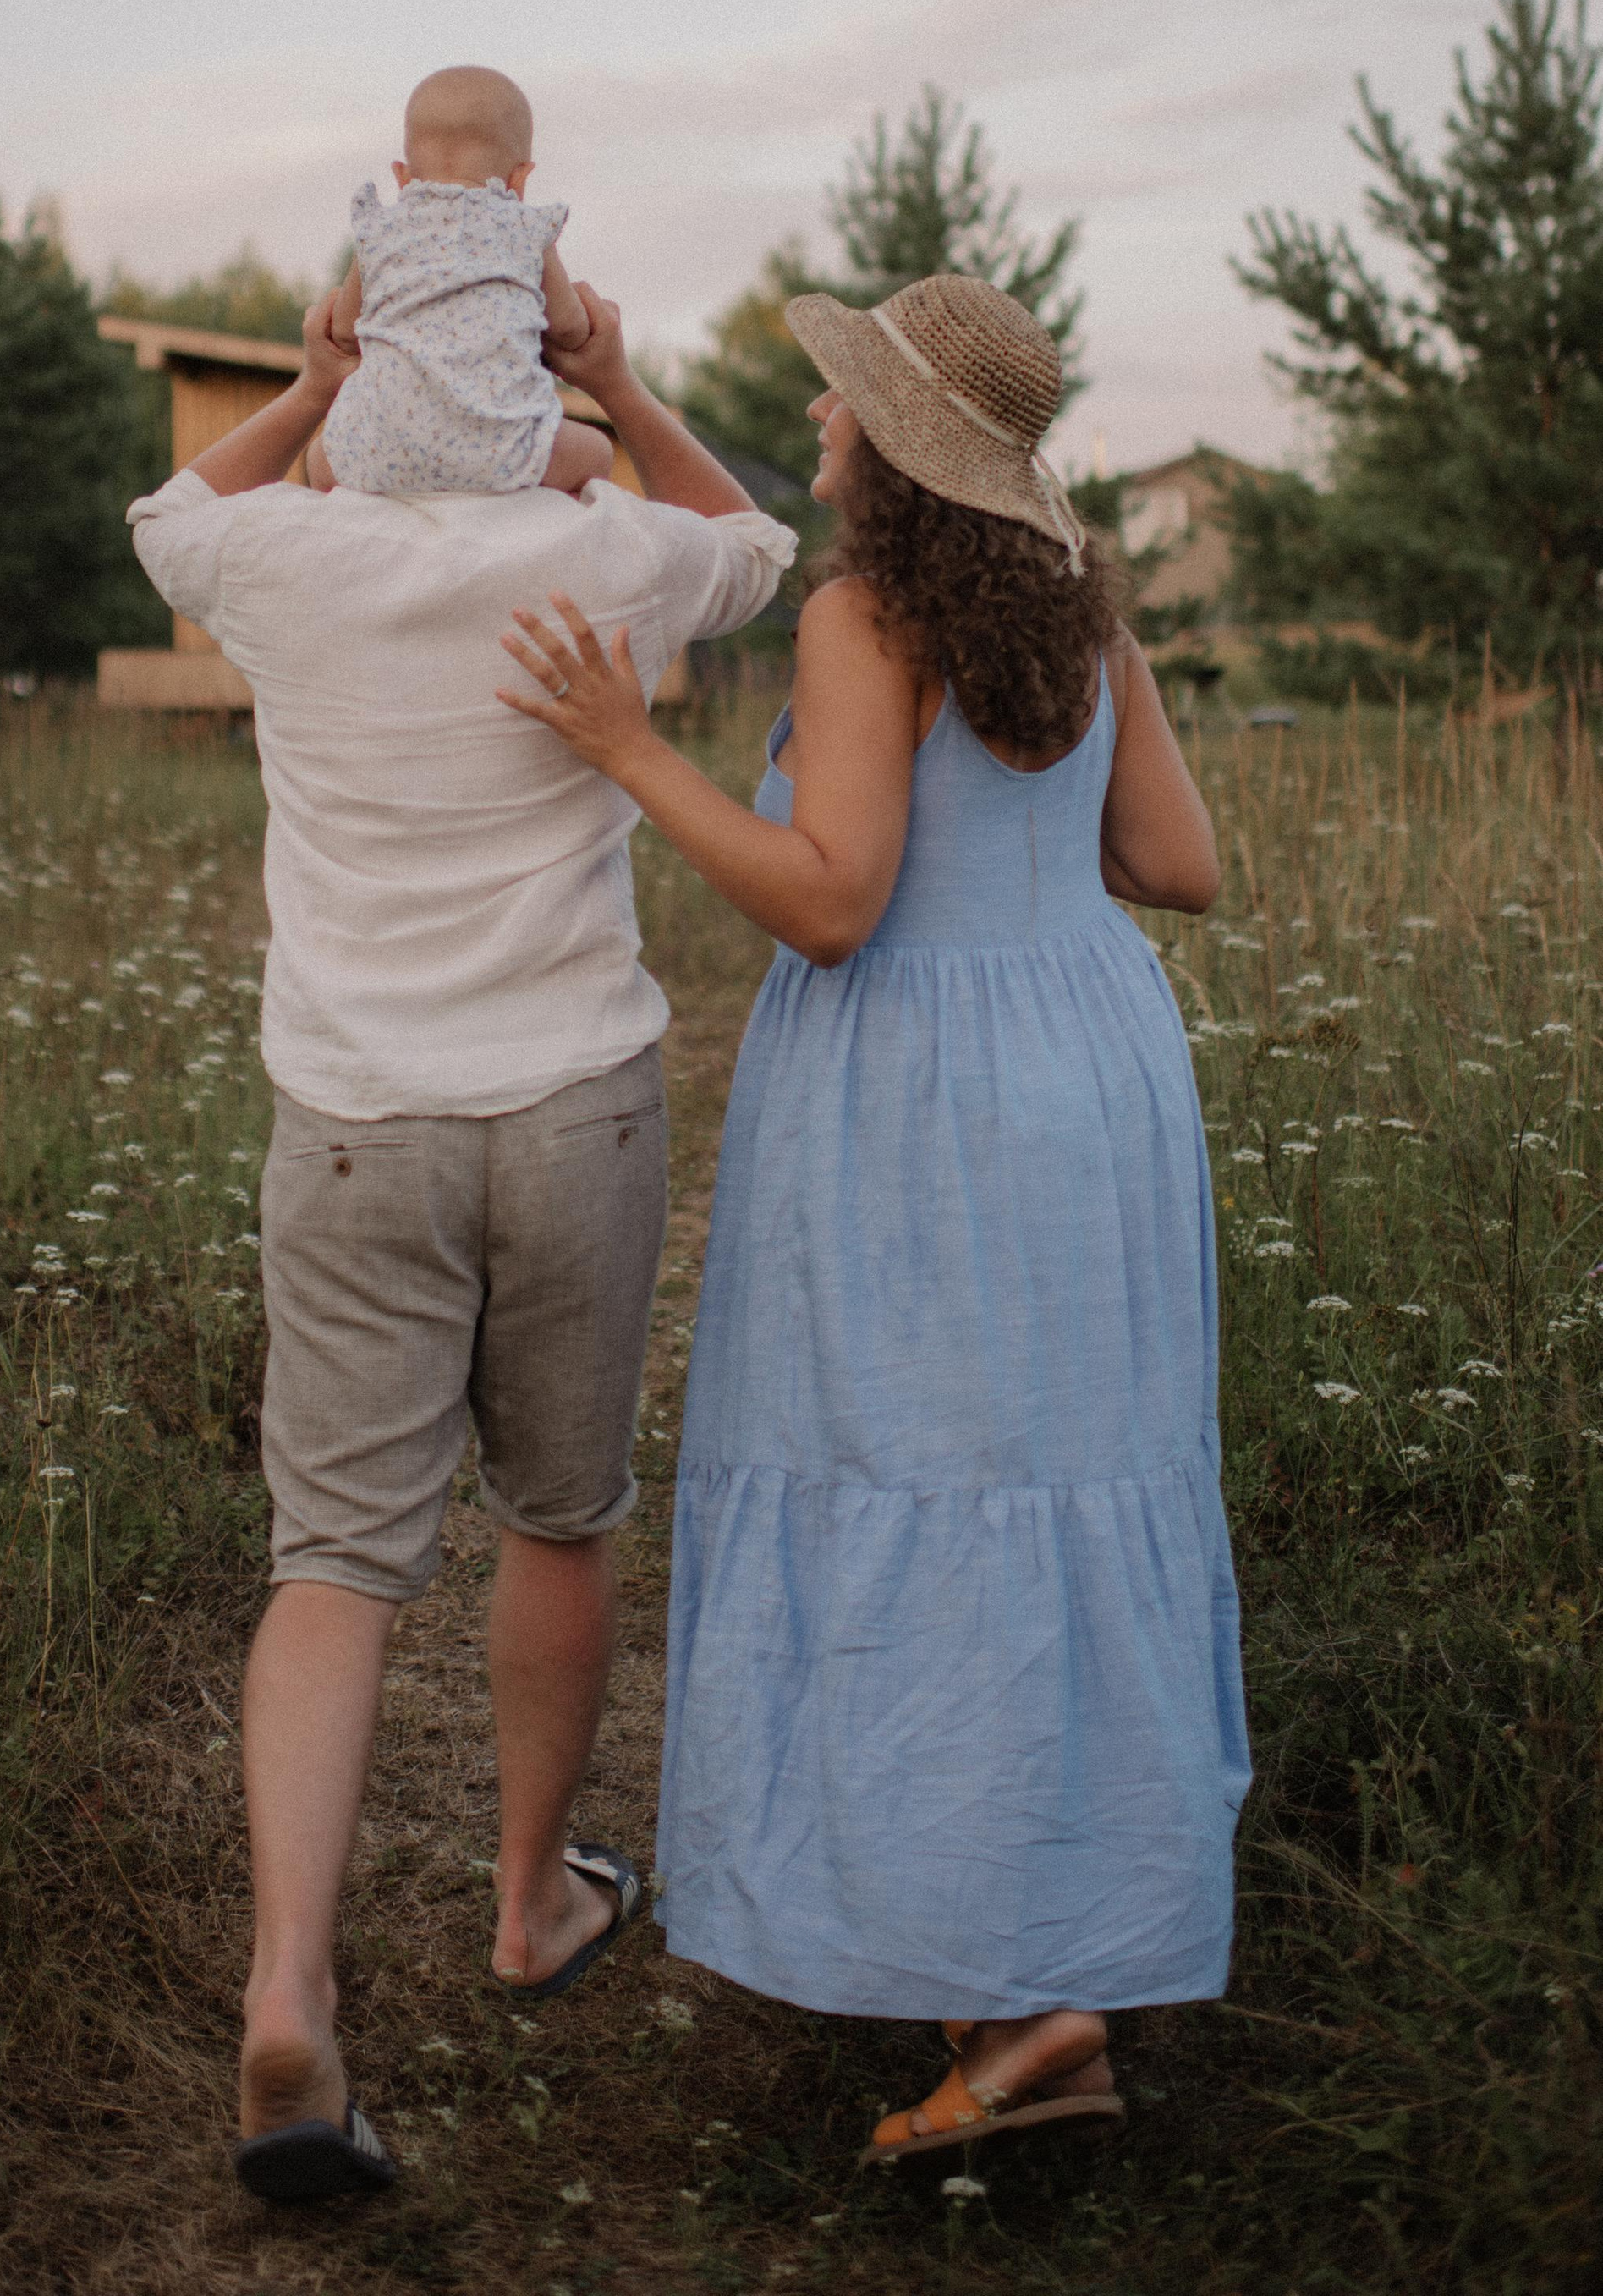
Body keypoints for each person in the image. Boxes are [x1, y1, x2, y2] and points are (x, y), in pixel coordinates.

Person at [498, 272, 1249, 2171]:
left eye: (840, 406)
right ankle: (1047, 1967)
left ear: (894, 455)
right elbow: (1177, 866)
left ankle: (1012, 2004)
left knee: (909, 1478)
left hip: (925, 1100)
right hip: (1093, 1074)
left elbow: (831, 901)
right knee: (1048, 1490)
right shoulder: (1075, 619)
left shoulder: (862, 621)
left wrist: (626, 750)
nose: (817, 425)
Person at [128, 271, 795, 2205]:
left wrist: (302, 387)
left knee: (334, 1562)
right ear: (524, 384)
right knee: (559, 1517)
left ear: (362, 405)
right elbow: (750, 538)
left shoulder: (287, 557)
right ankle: (525, 1905)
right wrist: (624, 379)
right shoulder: (587, 546)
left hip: (354, 1120)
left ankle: (289, 1986)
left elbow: (163, 521)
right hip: (566, 1096)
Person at [306, 63, 614, 500]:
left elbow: (343, 329)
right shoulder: (523, 227)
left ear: (402, 176)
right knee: (599, 452)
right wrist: (587, 314)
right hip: (502, 452)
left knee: (320, 458)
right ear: (520, 179)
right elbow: (568, 329)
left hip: (383, 453)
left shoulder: (381, 229)